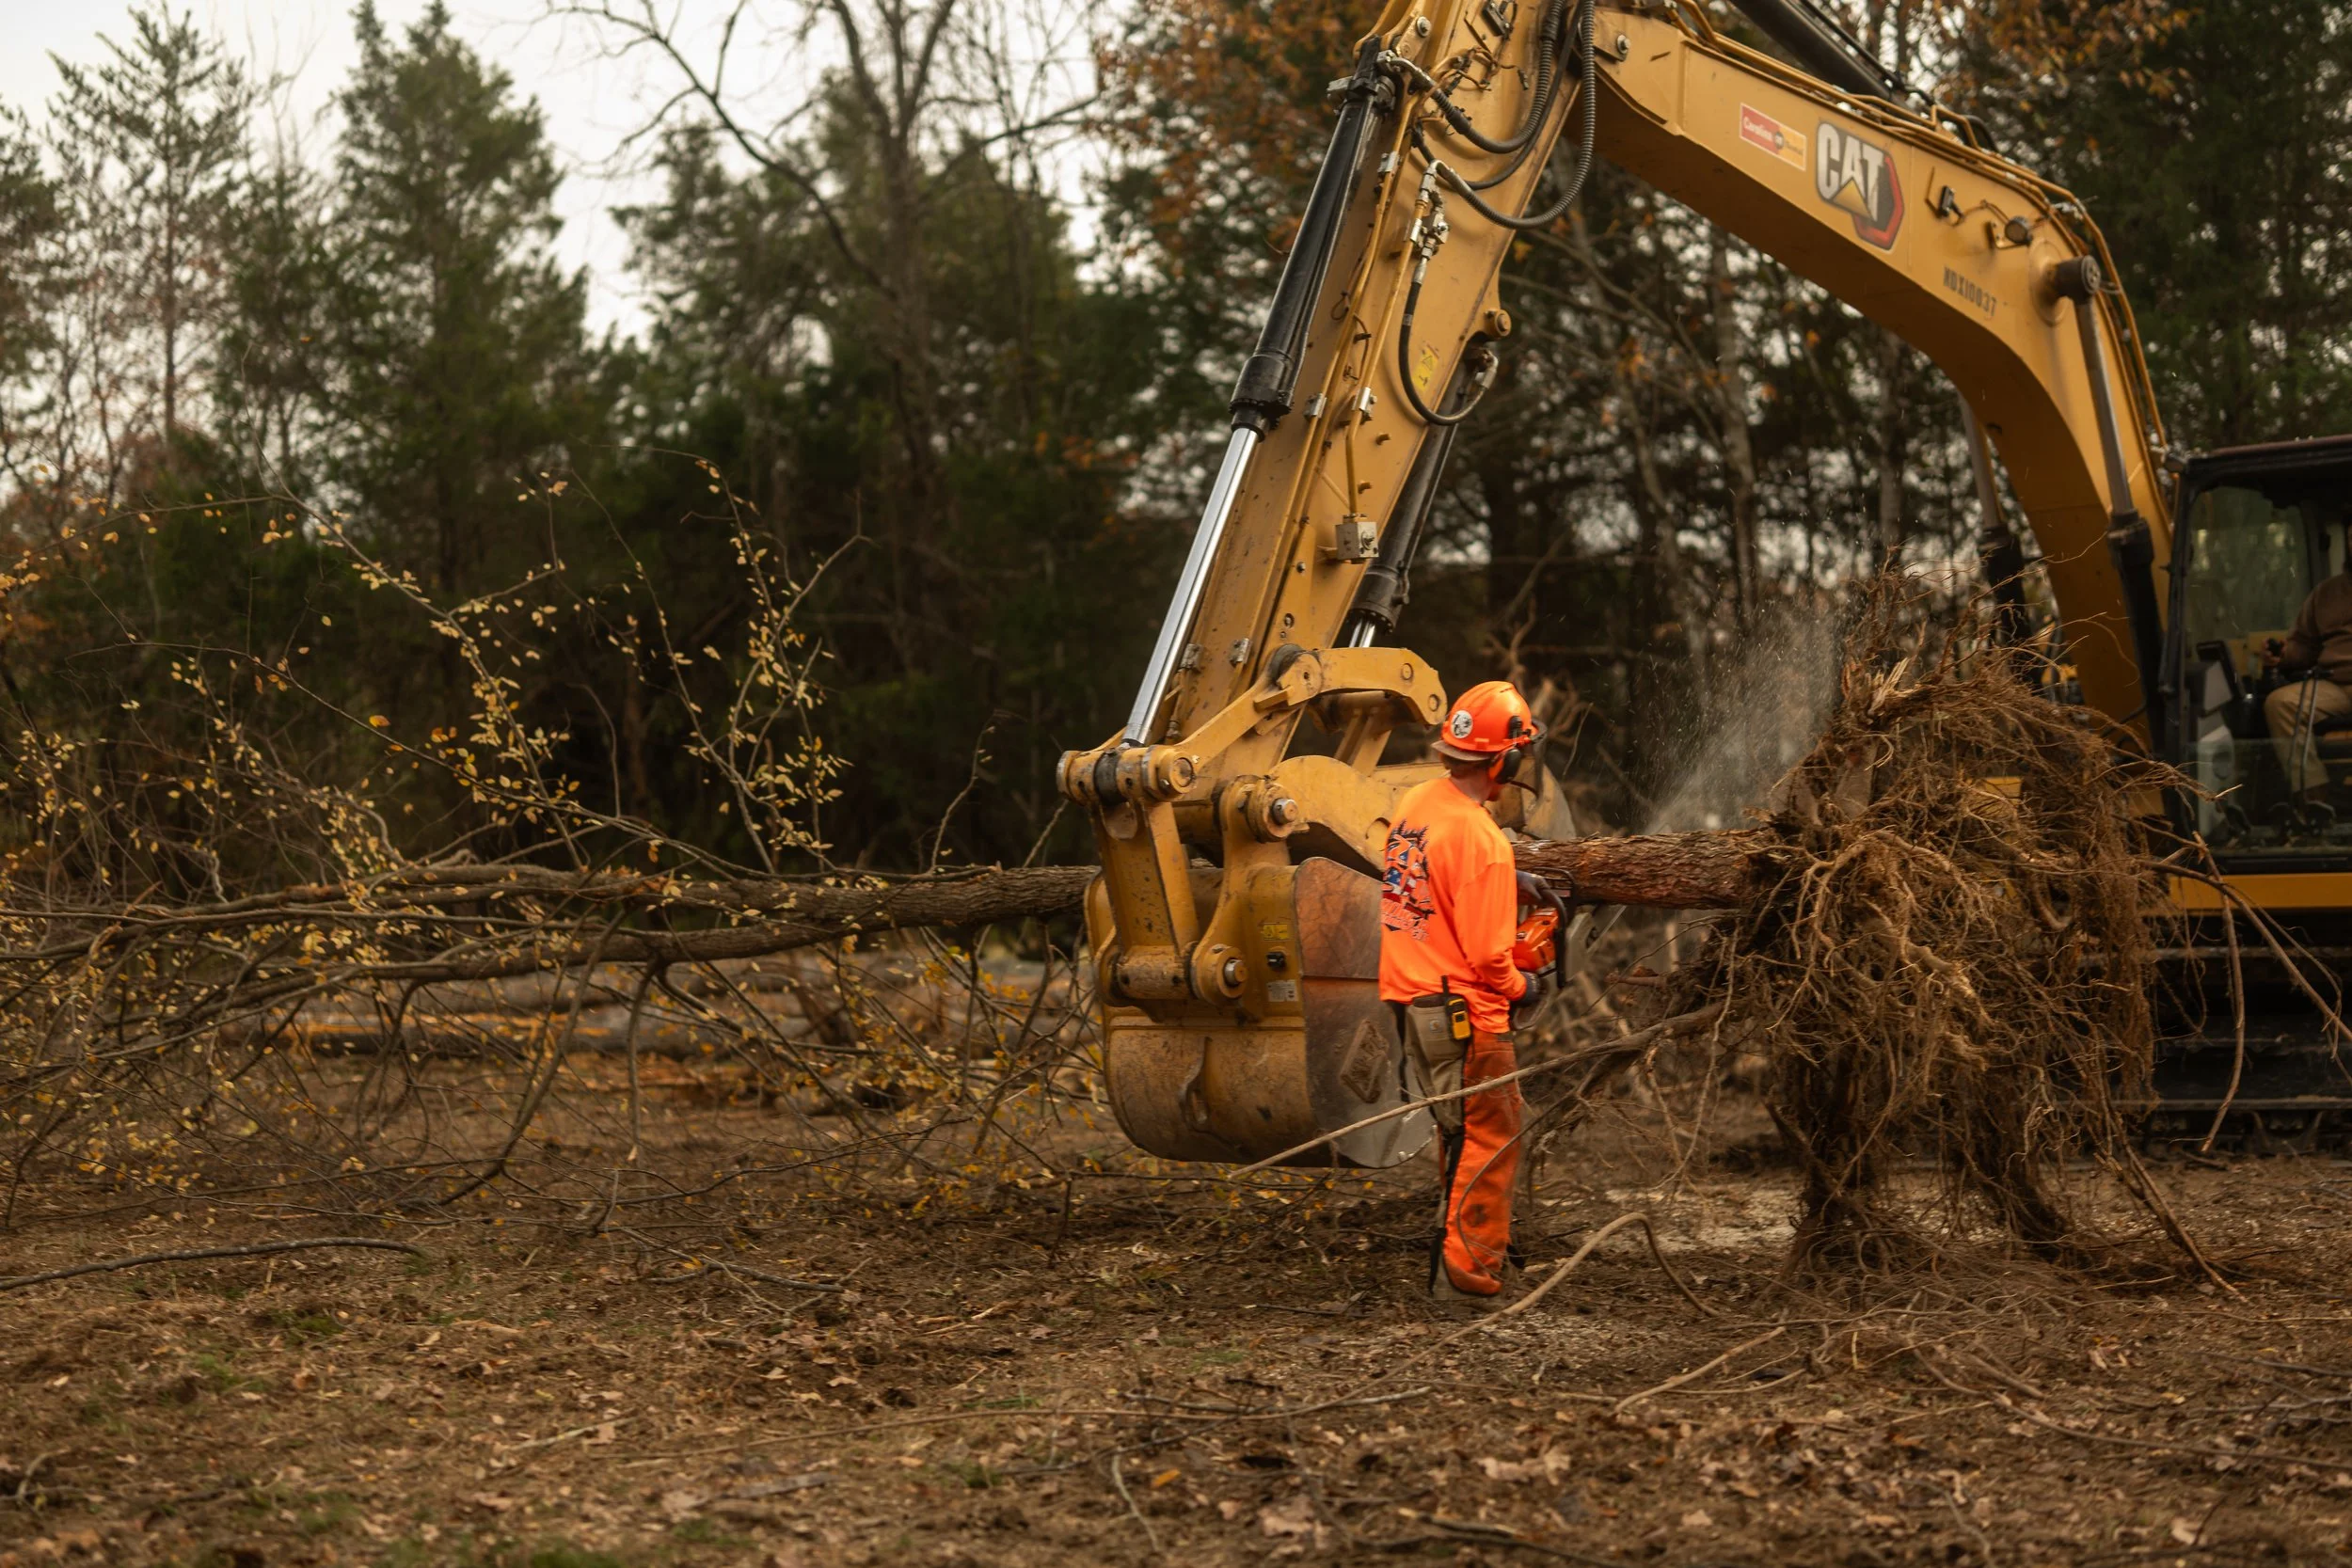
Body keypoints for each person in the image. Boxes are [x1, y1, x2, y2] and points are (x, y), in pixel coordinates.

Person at [1379, 679, 1553, 1304]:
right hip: (1465, 1012)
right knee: (1491, 1135)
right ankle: (1468, 1281)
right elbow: (1488, 957)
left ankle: (1449, 1263)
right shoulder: (1481, 844)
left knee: (1458, 1137)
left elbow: (1430, 880)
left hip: (1412, 998)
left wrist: (1514, 879)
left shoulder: (1418, 803)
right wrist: (1523, 984)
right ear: (1506, 759)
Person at [2263, 532, 2352, 798]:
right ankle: (2314, 799)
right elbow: (2304, 646)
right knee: (2281, 704)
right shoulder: (2327, 592)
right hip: (2336, 684)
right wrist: (2283, 656)